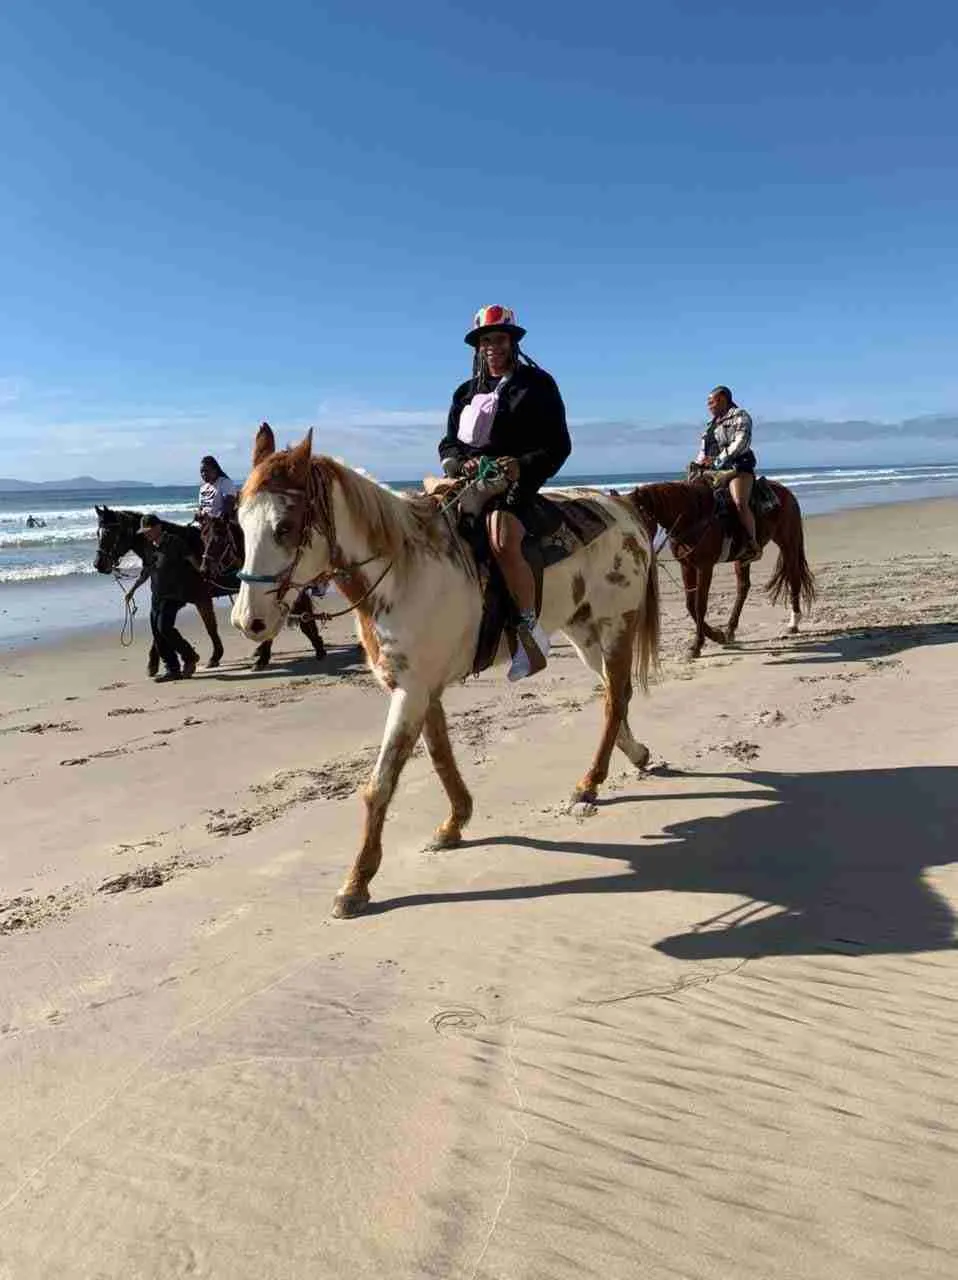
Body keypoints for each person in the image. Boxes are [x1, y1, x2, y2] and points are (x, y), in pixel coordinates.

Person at [439, 305, 571, 681]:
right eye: (485, 341)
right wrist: (458, 461)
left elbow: (559, 445)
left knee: (503, 538)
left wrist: (521, 467)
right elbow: (449, 442)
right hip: (468, 481)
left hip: (516, 483)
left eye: (499, 338)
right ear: (478, 347)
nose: (492, 346)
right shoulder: (464, 392)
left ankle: (529, 630)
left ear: (512, 342)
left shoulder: (538, 385)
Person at [695, 385, 760, 562]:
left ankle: (752, 545)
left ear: (723, 399)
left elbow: (741, 443)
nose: (709, 406)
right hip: (714, 470)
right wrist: (698, 464)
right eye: (708, 402)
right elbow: (703, 450)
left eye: (711, 402)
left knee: (739, 502)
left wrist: (716, 461)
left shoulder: (740, 416)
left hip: (737, 468)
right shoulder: (710, 425)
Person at [139, 514, 201, 682]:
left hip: (175, 593)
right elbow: (147, 571)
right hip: (157, 595)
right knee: (157, 633)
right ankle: (172, 669)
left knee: (164, 627)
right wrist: (132, 590)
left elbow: (191, 559)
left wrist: (202, 571)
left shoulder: (175, 542)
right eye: (144, 532)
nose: (146, 534)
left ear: (158, 527)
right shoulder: (149, 547)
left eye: (148, 530)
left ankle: (189, 656)